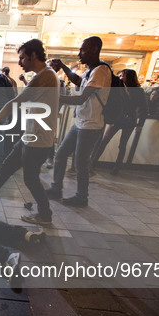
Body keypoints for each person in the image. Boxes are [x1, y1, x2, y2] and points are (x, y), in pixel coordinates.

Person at [0, 39, 60, 225]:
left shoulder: (44, 76)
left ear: (33, 55)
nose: (19, 62)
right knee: (8, 165)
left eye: (22, 58)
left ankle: (45, 214)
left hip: (38, 140)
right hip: (32, 136)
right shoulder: (46, 75)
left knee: (30, 179)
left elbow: (14, 103)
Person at [47, 36, 111, 207]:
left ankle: (82, 197)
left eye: (83, 49)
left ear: (95, 49)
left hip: (91, 126)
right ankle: (56, 188)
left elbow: (82, 98)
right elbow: (77, 81)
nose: (79, 53)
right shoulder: (91, 71)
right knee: (60, 155)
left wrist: (55, 97)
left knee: (80, 163)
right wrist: (62, 66)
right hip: (81, 123)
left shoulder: (101, 71)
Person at [92, 69, 148, 175]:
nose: (120, 77)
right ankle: (93, 162)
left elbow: (144, 108)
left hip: (129, 120)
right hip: (118, 118)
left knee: (122, 145)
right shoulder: (119, 88)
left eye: (122, 75)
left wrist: (140, 124)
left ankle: (116, 167)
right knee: (104, 141)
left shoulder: (138, 91)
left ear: (129, 77)